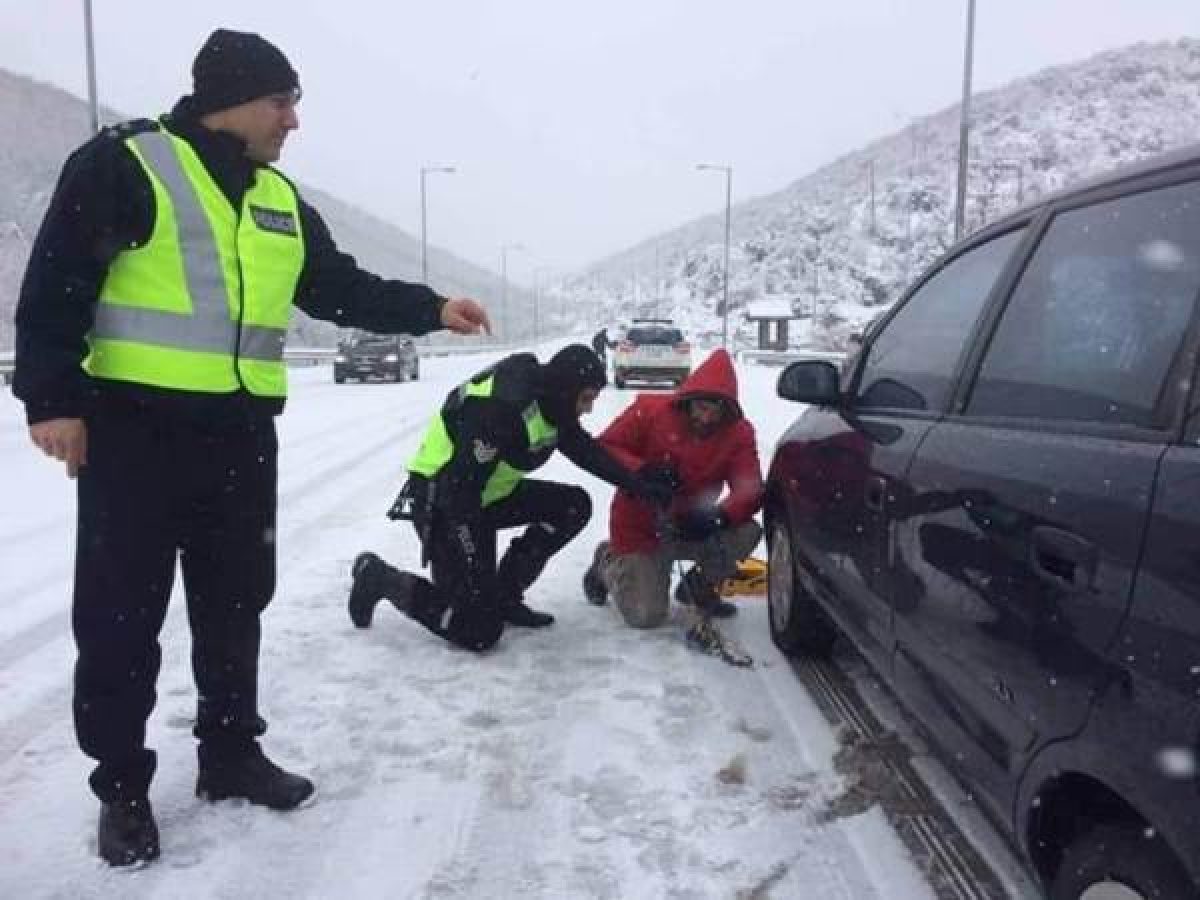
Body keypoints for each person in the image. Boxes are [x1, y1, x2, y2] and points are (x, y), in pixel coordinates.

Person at [12, 29, 490, 868]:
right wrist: (52, 398)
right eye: (283, 101)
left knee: (237, 601)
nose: (293, 121)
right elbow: (55, 282)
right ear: (231, 97)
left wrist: (431, 307)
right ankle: (122, 788)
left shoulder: (277, 200)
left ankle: (229, 755)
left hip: (237, 435)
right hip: (134, 434)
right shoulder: (128, 164)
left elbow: (338, 286)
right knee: (121, 615)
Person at [347, 345, 676, 651]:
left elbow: (583, 450)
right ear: (566, 390)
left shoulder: (552, 402)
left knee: (574, 506)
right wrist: (477, 568)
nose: (588, 409)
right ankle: (378, 577)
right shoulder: (500, 410)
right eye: (586, 399)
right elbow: (460, 497)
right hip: (444, 503)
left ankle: (505, 595)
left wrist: (639, 484)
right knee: (479, 631)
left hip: (487, 495)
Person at [583, 348, 764, 628]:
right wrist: (642, 472)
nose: (706, 418)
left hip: (694, 526)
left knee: (748, 530)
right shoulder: (650, 412)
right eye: (702, 408)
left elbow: (749, 489)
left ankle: (698, 590)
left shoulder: (739, 433)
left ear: (727, 412)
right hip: (642, 528)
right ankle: (608, 561)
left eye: (715, 413)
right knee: (646, 616)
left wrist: (720, 516)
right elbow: (604, 447)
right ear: (688, 402)